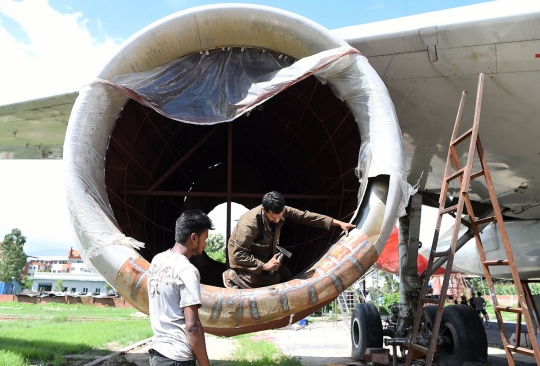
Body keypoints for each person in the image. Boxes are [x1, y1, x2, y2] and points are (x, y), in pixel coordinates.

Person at [223, 191, 356, 288]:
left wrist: (337, 223)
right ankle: (232, 277)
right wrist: (264, 266)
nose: (279, 219)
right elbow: (238, 255)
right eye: (274, 217)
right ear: (264, 210)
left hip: (261, 253)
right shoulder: (250, 224)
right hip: (242, 257)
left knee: (285, 274)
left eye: (281, 215)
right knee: (273, 279)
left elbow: (305, 216)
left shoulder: (281, 211)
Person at [147, 210, 214, 366]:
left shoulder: (157, 260)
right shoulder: (187, 270)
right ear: (194, 237)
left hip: (158, 353)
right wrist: (205, 364)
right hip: (178, 357)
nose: (205, 244)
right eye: (205, 239)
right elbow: (192, 326)